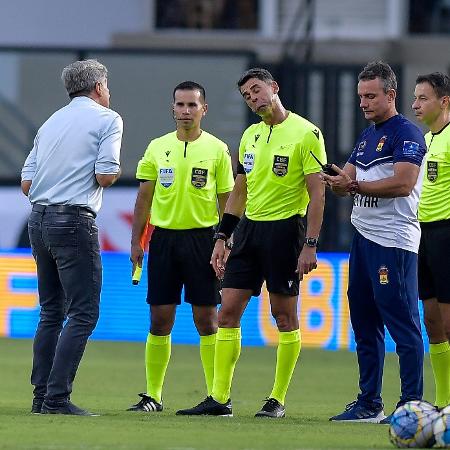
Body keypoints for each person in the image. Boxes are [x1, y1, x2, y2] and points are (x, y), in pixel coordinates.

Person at [176, 67, 326, 418]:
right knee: (227, 312)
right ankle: (219, 398)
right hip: (250, 233)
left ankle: (277, 399)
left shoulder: (306, 133)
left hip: (286, 231)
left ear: (274, 87)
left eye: (257, 90)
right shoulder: (249, 137)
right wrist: (222, 236)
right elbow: (239, 191)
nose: (253, 98)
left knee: (283, 315)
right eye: (247, 95)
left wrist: (311, 243)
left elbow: (317, 193)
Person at [322, 61, 426, 423]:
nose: (363, 103)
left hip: (393, 241)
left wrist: (351, 186)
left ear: (390, 95)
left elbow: (403, 184)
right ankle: (369, 402)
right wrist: (336, 180)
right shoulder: (367, 137)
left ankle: (411, 404)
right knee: (365, 324)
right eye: (360, 96)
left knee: (403, 323)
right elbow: (347, 180)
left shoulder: (407, 133)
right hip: (363, 239)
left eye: (370, 96)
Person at [21, 59, 123, 416]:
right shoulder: (108, 119)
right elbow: (107, 174)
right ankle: (57, 398)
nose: (108, 92)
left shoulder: (51, 122)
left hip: (38, 218)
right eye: (107, 86)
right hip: (73, 221)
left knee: (51, 311)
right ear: (98, 87)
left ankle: (40, 398)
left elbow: (26, 184)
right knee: (83, 313)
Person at [127, 81, 234, 413]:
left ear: (204, 109)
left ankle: (218, 397)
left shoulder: (217, 149)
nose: (186, 111)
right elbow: (144, 197)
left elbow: (227, 201)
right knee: (160, 319)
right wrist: (136, 239)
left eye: (192, 105)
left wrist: (226, 242)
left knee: (207, 319)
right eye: (180, 105)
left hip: (203, 240)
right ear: (172, 108)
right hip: (164, 241)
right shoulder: (157, 147)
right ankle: (153, 396)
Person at [412, 72, 450, 409]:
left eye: (423, 98)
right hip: (422, 235)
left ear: (444, 101)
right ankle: (443, 401)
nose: (415, 105)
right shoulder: (425, 141)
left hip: (446, 232)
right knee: (433, 321)